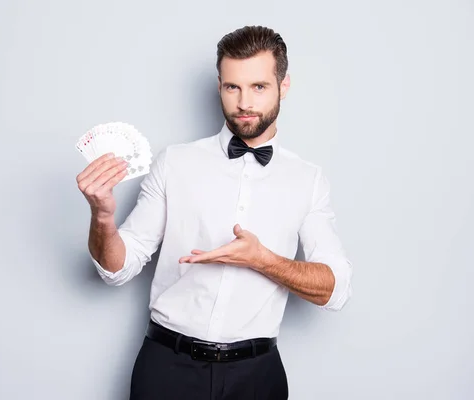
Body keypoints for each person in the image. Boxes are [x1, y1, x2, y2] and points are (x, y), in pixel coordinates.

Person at [76, 25, 352, 400]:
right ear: (219, 86)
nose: (244, 103)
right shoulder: (175, 162)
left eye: (259, 87)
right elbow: (117, 270)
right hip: (166, 368)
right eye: (232, 87)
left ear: (283, 86)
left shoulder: (308, 179)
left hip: (257, 377)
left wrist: (263, 260)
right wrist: (103, 217)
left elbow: (335, 289)